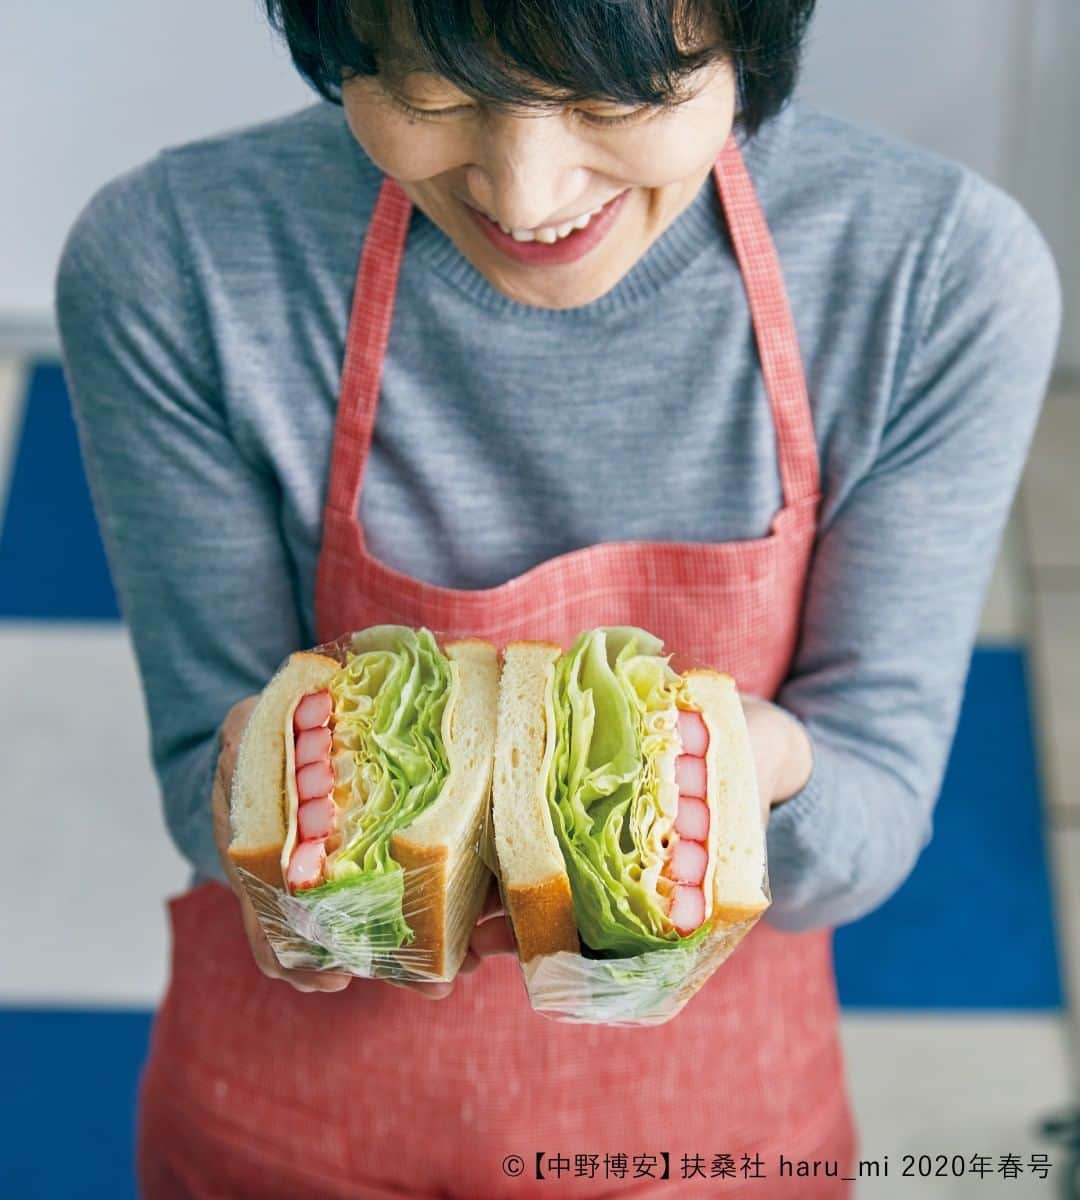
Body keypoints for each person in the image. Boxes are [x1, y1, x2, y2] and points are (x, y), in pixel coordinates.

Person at [54, 0, 1061, 1195]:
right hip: (291, 1127)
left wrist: (762, 769)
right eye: (437, 94)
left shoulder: (934, 276)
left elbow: (872, 818)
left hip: (709, 1132)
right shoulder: (176, 265)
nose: (526, 197)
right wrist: (255, 800)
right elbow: (194, 779)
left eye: (614, 99)